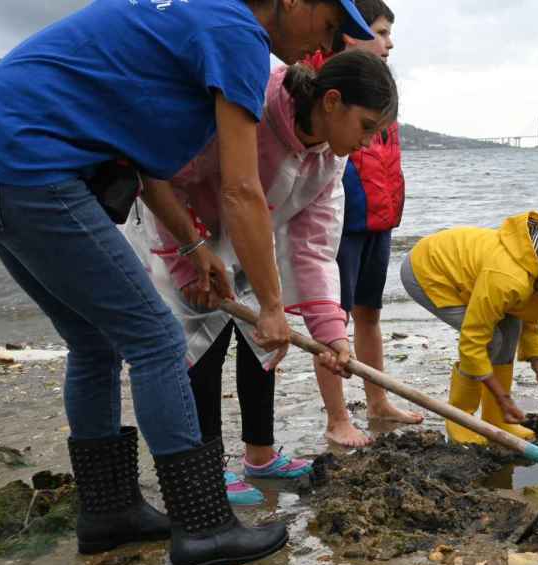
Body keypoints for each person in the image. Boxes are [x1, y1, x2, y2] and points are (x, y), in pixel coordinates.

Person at [0, 0, 375, 565]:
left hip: (14, 155)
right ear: (294, 1)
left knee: (95, 343)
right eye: (326, 27)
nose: (320, 48)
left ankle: (109, 512)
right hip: (32, 160)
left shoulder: (194, 20)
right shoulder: (236, 31)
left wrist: (196, 248)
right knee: (156, 339)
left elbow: (146, 161)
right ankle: (203, 527)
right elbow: (240, 190)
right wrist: (272, 307)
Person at [127, 51, 397, 504]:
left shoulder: (332, 155)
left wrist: (331, 331)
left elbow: (313, 245)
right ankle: (206, 467)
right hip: (179, 225)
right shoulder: (252, 103)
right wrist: (185, 256)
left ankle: (260, 454)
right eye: (367, 126)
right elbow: (165, 177)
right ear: (332, 101)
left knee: (266, 336)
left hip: (251, 233)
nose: (369, 143)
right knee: (201, 343)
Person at [402, 212, 538, 444]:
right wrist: (503, 397)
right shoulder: (509, 278)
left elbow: (528, 314)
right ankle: (460, 418)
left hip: (474, 276)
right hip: (430, 271)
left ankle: (496, 419)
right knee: (491, 340)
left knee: (510, 330)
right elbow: (473, 340)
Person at [314, 0, 422, 448]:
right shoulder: (328, 78)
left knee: (370, 314)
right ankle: (338, 417)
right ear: (350, 32)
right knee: (332, 322)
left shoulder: (382, 85)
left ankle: (377, 401)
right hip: (343, 221)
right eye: (379, 32)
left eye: (389, 33)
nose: (389, 42)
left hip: (380, 215)